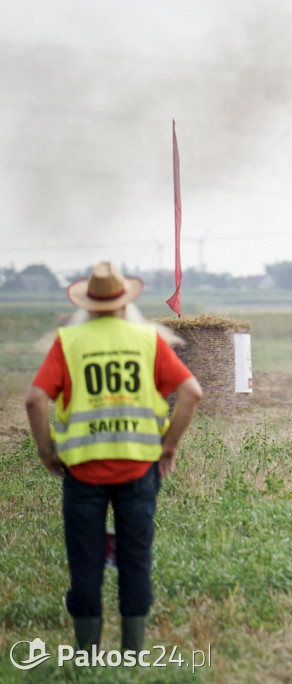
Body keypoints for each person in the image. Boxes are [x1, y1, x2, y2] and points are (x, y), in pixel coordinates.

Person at [25, 262, 202, 652]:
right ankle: (133, 652)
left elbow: (35, 399)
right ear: (125, 302)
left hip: (83, 474)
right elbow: (192, 393)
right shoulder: (149, 340)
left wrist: (46, 450)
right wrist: (168, 445)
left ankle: (87, 653)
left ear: (88, 304)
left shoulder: (69, 343)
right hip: (139, 470)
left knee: (85, 564)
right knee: (135, 560)